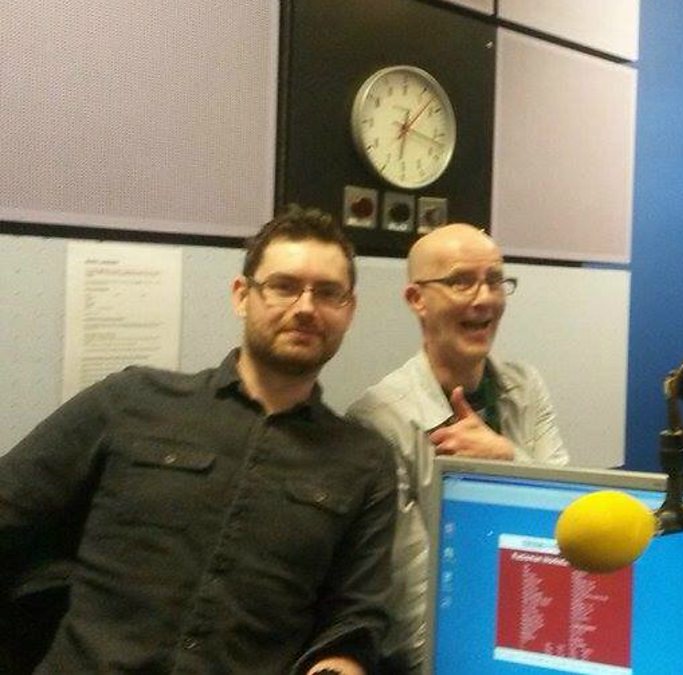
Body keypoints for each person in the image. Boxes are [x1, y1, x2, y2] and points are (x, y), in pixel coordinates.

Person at [0, 206, 398, 675]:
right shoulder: (131, 401)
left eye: (328, 293)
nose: (306, 308)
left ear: (348, 310)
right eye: (284, 286)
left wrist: (342, 661)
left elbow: (355, 616)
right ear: (242, 296)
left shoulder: (364, 461)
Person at [347, 223, 569, 670]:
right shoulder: (380, 420)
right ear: (417, 299)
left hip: (533, 628)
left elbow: (565, 523)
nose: (484, 298)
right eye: (461, 281)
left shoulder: (525, 387)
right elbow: (412, 603)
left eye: (494, 280)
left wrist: (506, 458)